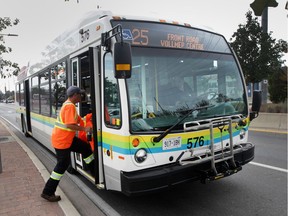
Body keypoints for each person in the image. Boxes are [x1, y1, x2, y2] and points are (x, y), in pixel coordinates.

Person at [41, 86, 94, 202]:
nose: (81, 96)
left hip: (66, 139)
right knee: (62, 165)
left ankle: (94, 170)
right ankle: (47, 192)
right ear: (75, 95)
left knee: (85, 148)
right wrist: (84, 129)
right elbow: (70, 125)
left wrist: (87, 120)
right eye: (80, 94)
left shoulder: (68, 104)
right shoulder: (70, 106)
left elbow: (77, 119)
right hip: (62, 141)